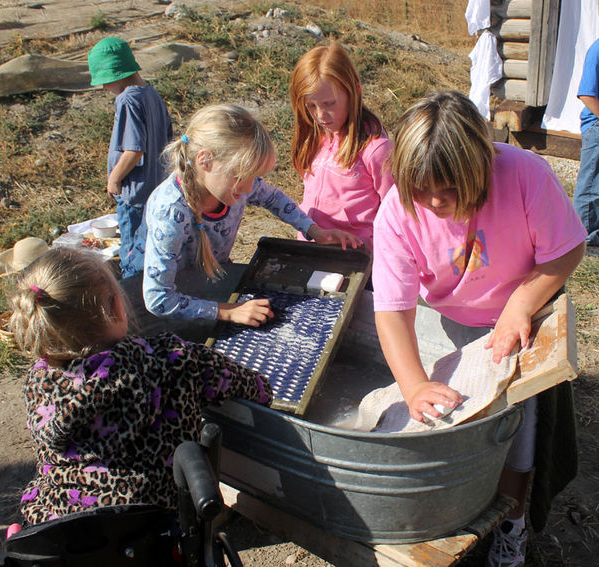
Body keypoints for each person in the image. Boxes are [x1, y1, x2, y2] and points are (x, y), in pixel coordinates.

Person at [372, 91, 586, 567]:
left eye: (448, 189)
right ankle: (461, 506)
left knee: (517, 426)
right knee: (453, 420)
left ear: (481, 167)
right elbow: (392, 310)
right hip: (448, 318)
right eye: (422, 190)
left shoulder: (525, 174)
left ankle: (512, 524)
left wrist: (523, 302)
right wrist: (413, 384)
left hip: (519, 312)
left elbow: (567, 250)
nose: (434, 201)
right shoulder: (397, 210)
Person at [9, 247, 273, 525]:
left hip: (61, 531)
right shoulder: (173, 359)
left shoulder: (38, 381)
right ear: (115, 308)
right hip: (156, 524)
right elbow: (255, 388)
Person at [141, 103, 361, 327]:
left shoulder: (229, 184)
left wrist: (314, 230)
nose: (249, 189)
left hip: (212, 281)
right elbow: (158, 299)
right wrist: (230, 311)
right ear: (205, 161)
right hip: (177, 308)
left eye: (253, 177)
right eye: (241, 177)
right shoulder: (170, 212)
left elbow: (273, 198)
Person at [290, 42, 394, 251]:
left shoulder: (376, 150)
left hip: (353, 256)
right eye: (311, 106)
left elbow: (395, 212)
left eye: (329, 103)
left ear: (353, 91)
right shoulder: (314, 137)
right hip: (311, 246)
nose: (320, 115)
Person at [88, 37, 173, 278]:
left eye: (104, 81)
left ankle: (131, 302)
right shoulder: (152, 94)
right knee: (151, 247)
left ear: (115, 73)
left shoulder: (127, 100)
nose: (103, 87)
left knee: (132, 254)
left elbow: (134, 150)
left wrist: (114, 179)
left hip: (135, 193)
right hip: (156, 189)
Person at [574, 37, 599, 247]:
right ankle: (584, 238)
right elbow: (587, 94)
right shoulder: (597, 49)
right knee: (590, 184)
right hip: (597, 125)